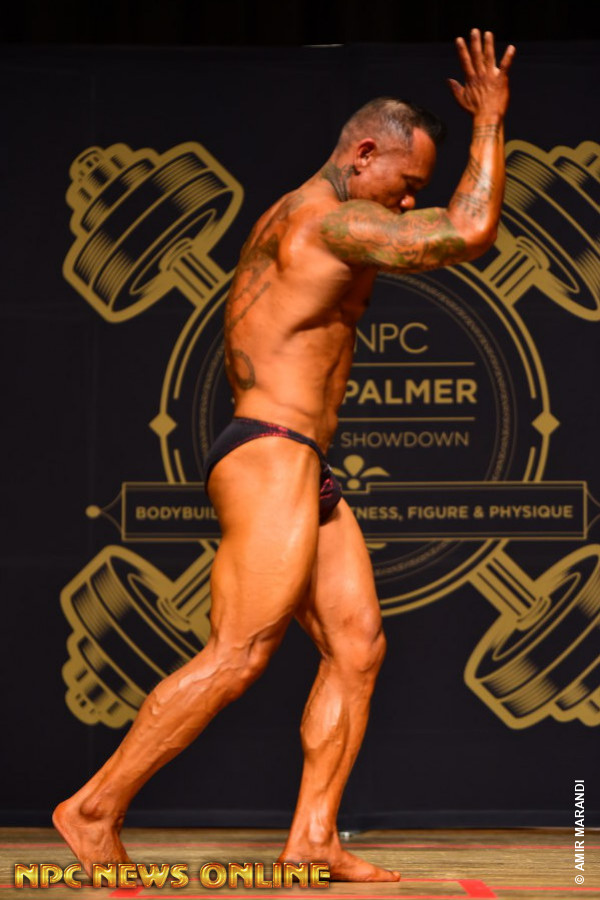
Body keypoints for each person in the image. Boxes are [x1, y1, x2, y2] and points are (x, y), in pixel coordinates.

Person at [54, 28, 515, 882]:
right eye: (406, 183)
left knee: (357, 645)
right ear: (364, 153)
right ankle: (93, 807)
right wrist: (489, 121)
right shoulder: (328, 221)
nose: (407, 202)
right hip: (271, 452)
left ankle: (312, 836)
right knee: (239, 653)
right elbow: (469, 229)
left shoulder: (297, 213)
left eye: (415, 192)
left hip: (299, 460)